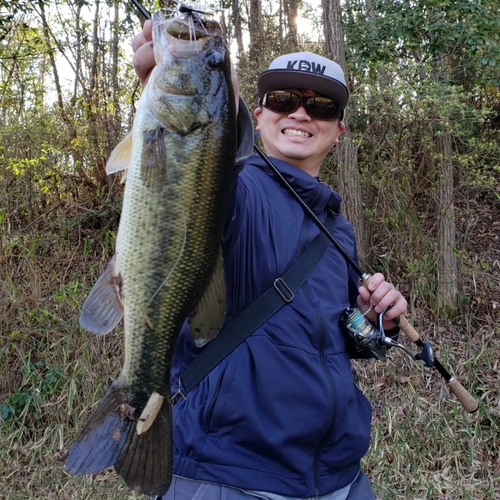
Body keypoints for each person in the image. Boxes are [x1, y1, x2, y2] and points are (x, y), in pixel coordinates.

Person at [132, 19, 407, 500]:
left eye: (320, 105)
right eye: (283, 100)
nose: (300, 113)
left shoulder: (336, 227)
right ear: (256, 116)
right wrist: (192, 82)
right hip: (229, 474)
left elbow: (323, 333)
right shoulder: (237, 186)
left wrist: (370, 322)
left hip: (337, 477)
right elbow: (201, 166)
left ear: (338, 130)